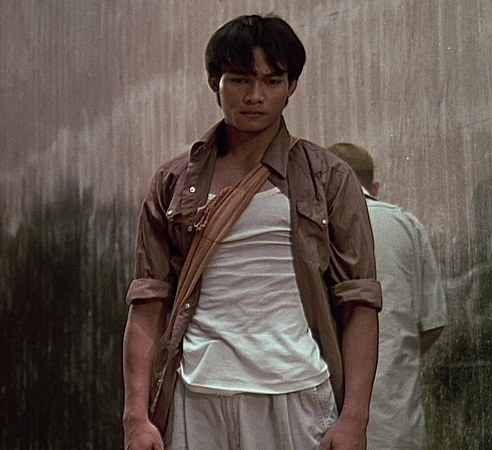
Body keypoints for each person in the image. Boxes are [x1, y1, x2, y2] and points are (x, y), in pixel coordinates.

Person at [121, 14, 381, 450]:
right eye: (240, 80)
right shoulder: (174, 182)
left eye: (272, 81)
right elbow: (148, 302)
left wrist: (355, 417)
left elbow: (360, 301)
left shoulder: (327, 177)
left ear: (291, 85)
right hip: (197, 392)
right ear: (214, 82)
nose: (255, 96)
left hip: (296, 389)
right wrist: (135, 416)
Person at [328, 143, 447, 450]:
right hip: (395, 417)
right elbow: (432, 323)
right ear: (375, 188)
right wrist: (392, 357)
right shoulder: (406, 225)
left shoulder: (314, 226)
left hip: (328, 418)